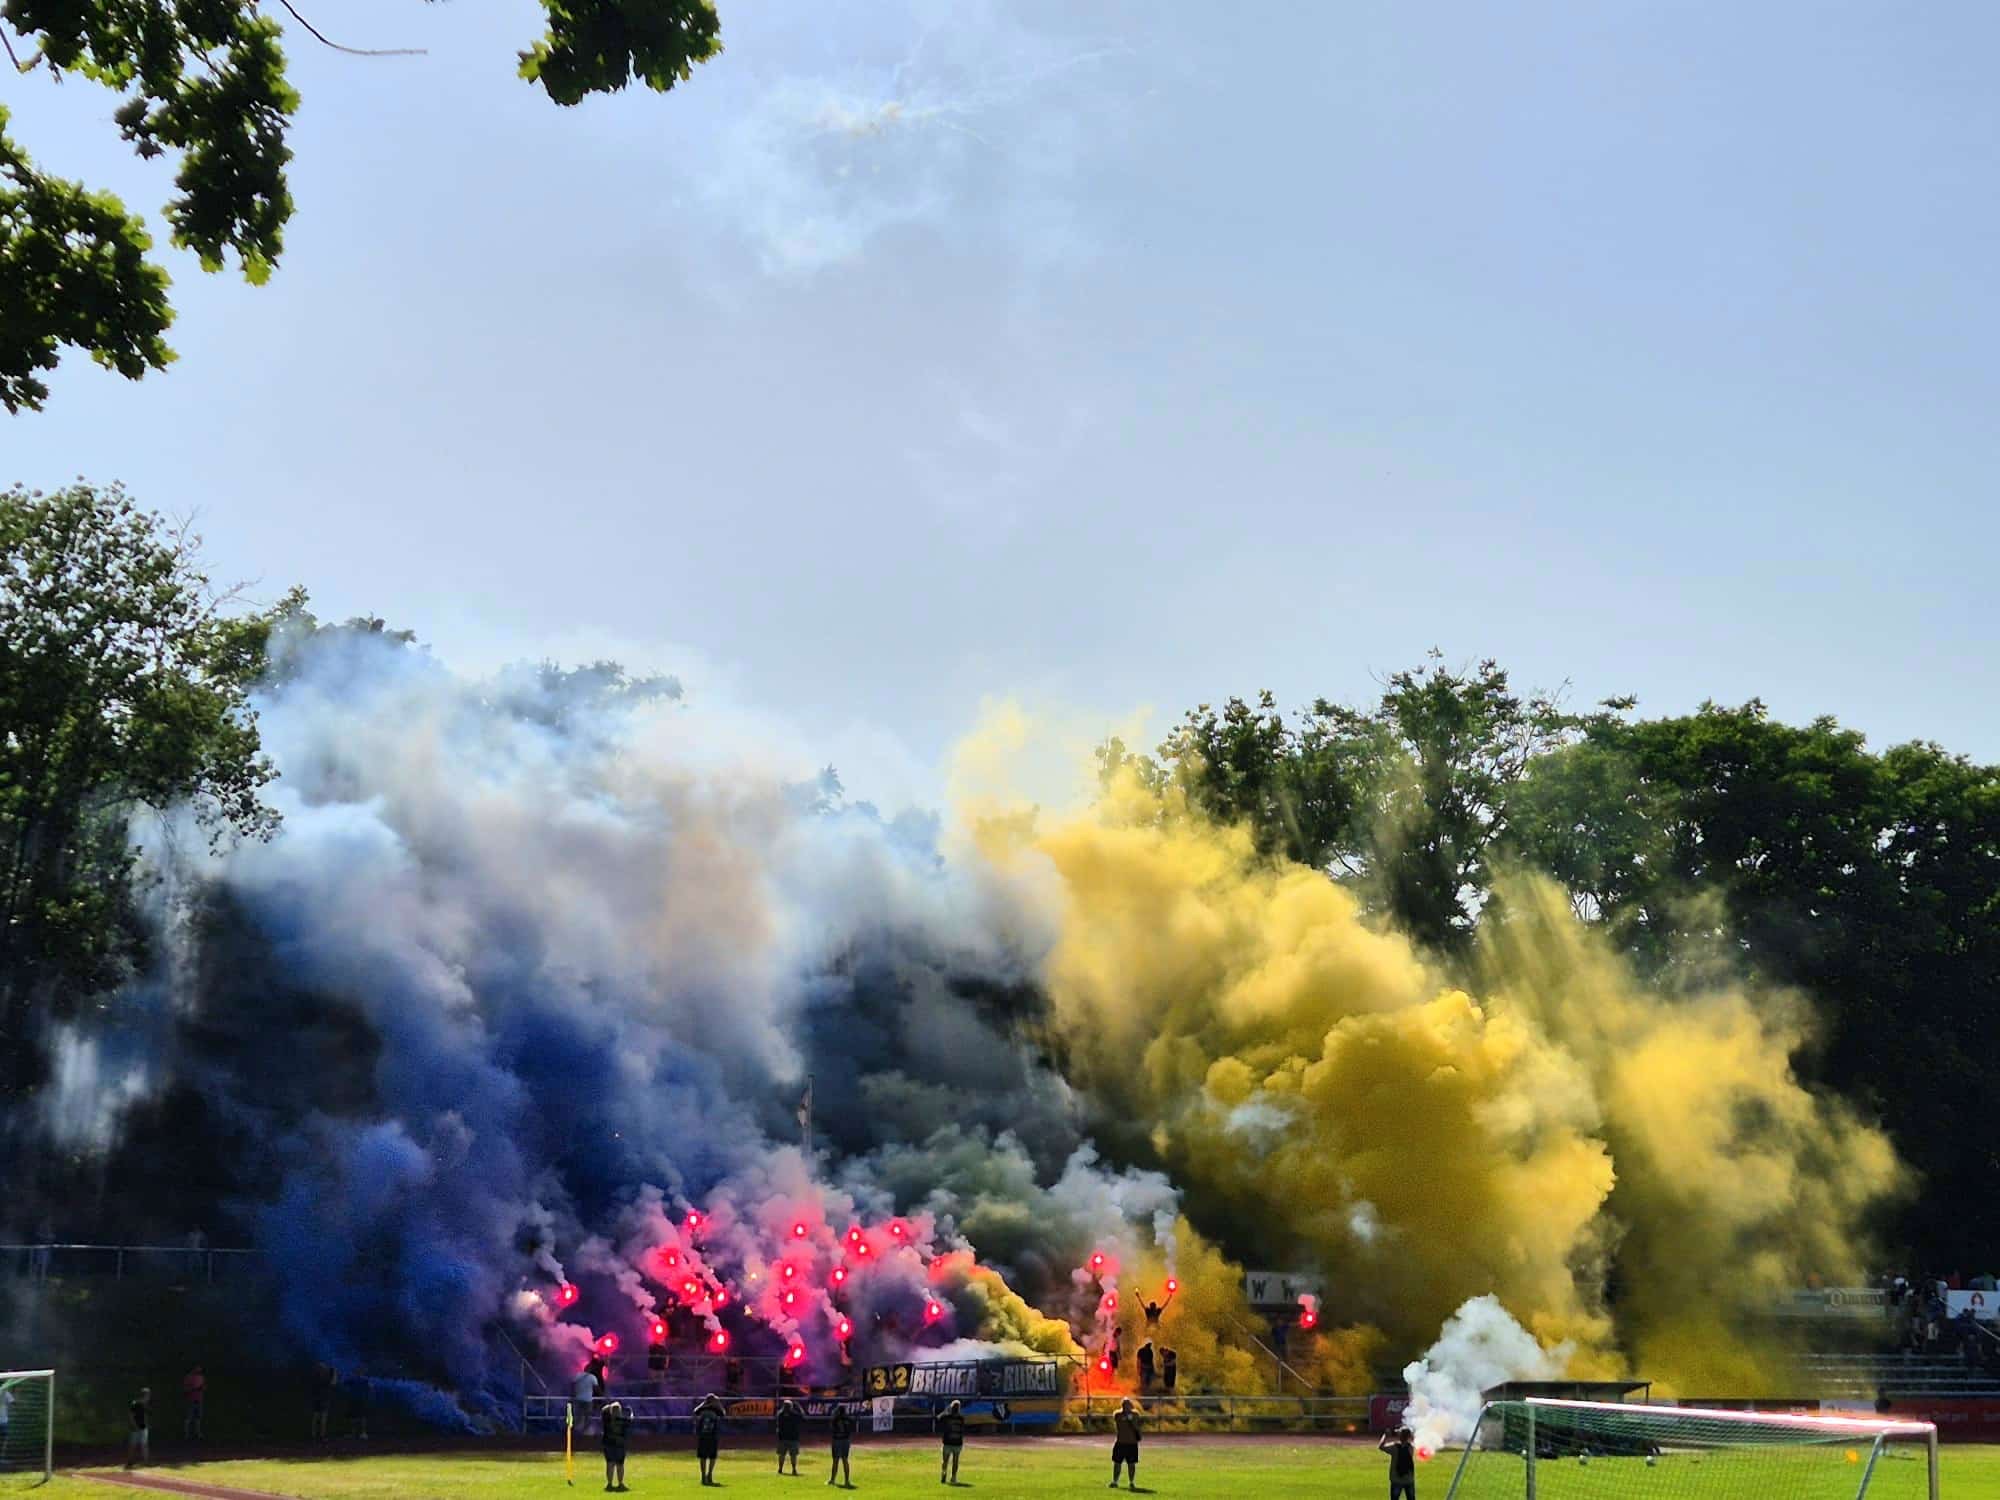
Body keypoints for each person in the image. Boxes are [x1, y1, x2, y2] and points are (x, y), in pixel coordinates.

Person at [600, 1398, 633, 1492]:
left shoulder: (606, 1419)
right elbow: (631, 1419)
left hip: (608, 1444)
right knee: (620, 1465)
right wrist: (630, 1411)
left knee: (610, 1464)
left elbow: (603, 1410)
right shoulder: (623, 1421)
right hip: (620, 1444)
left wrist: (610, 1406)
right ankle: (620, 1483)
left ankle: (609, 1484)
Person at [694, 1392, 725, 1486]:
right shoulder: (716, 1410)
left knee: (703, 1457)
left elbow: (695, 1411)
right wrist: (719, 1403)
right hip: (712, 1436)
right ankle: (709, 1475)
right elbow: (723, 1414)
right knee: (712, 1456)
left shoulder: (701, 1409)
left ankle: (704, 1477)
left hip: (703, 1436)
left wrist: (703, 1403)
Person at [1110, 1398, 1142, 1490]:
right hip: (1121, 1442)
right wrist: (1126, 1417)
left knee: (1131, 1464)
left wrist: (1130, 1418)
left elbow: (1136, 1424)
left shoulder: (1135, 1415)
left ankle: (1131, 1482)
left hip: (1132, 1443)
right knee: (1117, 1463)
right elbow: (1118, 1420)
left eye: (1127, 1404)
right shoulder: (1118, 1414)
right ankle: (1115, 1481)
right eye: (1124, 1404)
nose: (1126, 1406)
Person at [1380, 1424, 1417, 1500]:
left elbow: (1381, 1447)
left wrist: (1385, 1436)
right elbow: (1413, 1440)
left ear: (1400, 1436)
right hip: (1409, 1479)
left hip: (1396, 1479)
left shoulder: (1394, 1447)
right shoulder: (1411, 1448)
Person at [935, 1399, 966, 1485]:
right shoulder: (961, 1418)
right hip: (957, 1442)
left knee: (945, 1460)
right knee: (955, 1461)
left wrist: (945, 1411)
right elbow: (963, 1430)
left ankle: (943, 1474)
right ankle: (953, 1477)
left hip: (947, 1442)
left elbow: (937, 1418)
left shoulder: (946, 1417)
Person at [827, 1402, 855, 1488]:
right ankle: (847, 1480)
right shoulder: (848, 1419)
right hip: (846, 1440)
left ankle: (832, 1479)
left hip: (837, 1440)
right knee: (845, 1460)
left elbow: (831, 1428)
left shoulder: (835, 1419)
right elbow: (852, 1429)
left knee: (835, 1460)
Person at [125, 1388, 151, 1470]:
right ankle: (129, 1462)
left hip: (143, 1427)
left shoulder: (145, 1404)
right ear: (145, 1395)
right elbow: (131, 1416)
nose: (149, 1397)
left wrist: (146, 1425)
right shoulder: (135, 1403)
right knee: (132, 1445)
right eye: (148, 1395)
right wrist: (135, 1426)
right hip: (135, 1428)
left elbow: (145, 1416)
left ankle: (146, 1462)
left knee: (144, 1445)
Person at [776, 1397, 804, 1476]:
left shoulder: (780, 1415)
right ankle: (794, 1469)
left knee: (781, 1454)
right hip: (793, 1438)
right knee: (793, 1455)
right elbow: (802, 1416)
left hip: (782, 1438)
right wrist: (798, 1406)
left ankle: (780, 1469)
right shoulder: (794, 1415)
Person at [573, 1363, 601, 1439]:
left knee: (578, 1417)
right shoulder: (592, 1377)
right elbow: (597, 1388)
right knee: (587, 1417)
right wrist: (603, 1396)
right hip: (588, 1400)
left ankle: (576, 1433)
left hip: (578, 1399)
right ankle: (585, 1433)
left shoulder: (578, 1376)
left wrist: (573, 1395)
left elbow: (573, 1385)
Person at [310, 1362, 336, 1441]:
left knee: (315, 1418)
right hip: (324, 1399)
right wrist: (334, 1373)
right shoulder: (325, 1377)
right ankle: (322, 1436)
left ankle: (314, 1435)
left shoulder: (315, 1376)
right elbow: (333, 1383)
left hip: (317, 1399)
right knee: (323, 1418)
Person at [182, 1364, 206, 1440]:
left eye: (200, 1368)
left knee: (198, 1418)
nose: (199, 1369)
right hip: (191, 1400)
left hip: (199, 1399)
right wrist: (194, 1389)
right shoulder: (188, 1377)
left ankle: (198, 1434)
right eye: (197, 1368)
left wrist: (202, 1388)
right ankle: (186, 1434)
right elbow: (185, 1389)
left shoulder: (201, 1377)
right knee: (188, 1418)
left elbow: (204, 1387)